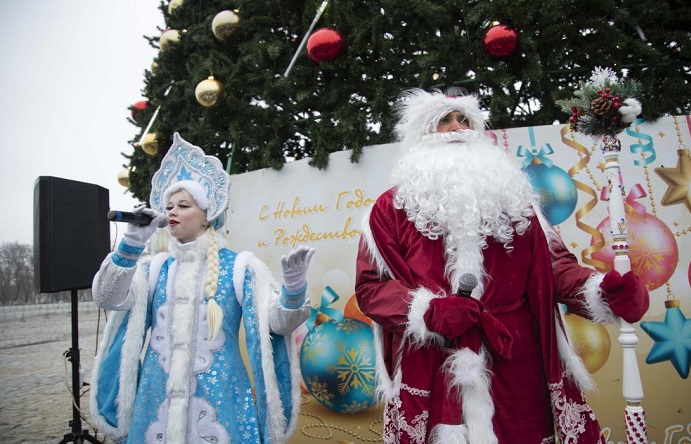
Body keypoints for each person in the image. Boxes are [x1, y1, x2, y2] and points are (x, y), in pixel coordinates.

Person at [354, 89, 649, 443]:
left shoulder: (515, 201)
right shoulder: (388, 210)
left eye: (464, 120)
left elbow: (554, 269)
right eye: (443, 120)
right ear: (421, 136)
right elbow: (372, 287)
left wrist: (602, 291)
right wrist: (428, 311)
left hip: (513, 358)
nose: (455, 128)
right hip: (433, 360)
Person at [89, 133, 314, 444]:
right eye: (169, 206)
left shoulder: (239, 268)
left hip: (222, 402)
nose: (173, 212)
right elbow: (107, 298)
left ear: (208, 216)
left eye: (183, 205)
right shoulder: (154, 268)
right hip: (156, 401)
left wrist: (293, 288)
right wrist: (130, 245)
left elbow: (277, 325)